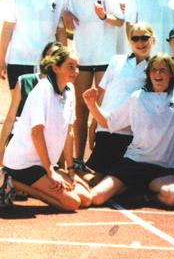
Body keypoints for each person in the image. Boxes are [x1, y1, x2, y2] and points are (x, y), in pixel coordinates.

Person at [85, 53, 174, 208]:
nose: (158, 73)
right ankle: (128, 188)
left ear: (170, 74)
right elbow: (108, 122)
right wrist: (91, 104)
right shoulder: (137, 98)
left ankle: (143, 195)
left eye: (163, 70)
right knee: (96, 198)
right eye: (154, 70)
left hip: (163, 169)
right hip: (133, 163)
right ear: (148, 75)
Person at [1, 47, 93, 211]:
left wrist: (70, 170)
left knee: (86, 198)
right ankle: (13, 181)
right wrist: (51, 172)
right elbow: (36, 134)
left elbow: (69, 133)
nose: (76, 71)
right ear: (55, 68)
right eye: (70, 66)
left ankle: (25, 182)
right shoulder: (43, 89)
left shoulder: (70, 90)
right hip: (24, 163)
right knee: (72, 203)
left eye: (77, 66)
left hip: (44, 163)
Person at [63, 0, 125, 173]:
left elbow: (119, 21)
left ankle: (99, 159)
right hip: (82, 57)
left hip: (104, 59)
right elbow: (63, 15)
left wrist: (103, 16)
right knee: (80, 109)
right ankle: (78, 158)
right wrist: (65, 14)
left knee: (101, 110)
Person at [82, 23, 156, 186]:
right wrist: (94, 124)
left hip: (132, 133)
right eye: (135, 38)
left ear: (153, 40)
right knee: (98, 178)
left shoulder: (155, 68)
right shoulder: (116, 61)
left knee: (123, 182)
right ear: (130, 41)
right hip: (106, 129)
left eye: (144, 37)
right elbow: (101, 93)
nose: (140, 42)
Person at [0, 0, 67, 91]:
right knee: (20, 110)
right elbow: (7, 27)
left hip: (48, 62)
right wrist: (1, 59)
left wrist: (64, 61)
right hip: (19, 60)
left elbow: (60, 30)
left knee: (46, 109)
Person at [0, 42, 63, 167]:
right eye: (51, 55)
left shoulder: (65, 88)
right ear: (44, 58)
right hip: (22, 139)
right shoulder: (25, 81)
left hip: (48, 143)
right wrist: (1, 149)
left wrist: (64, 164)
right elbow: (10, 118)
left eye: (58, 57)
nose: (54, 60)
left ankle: (11, 180)